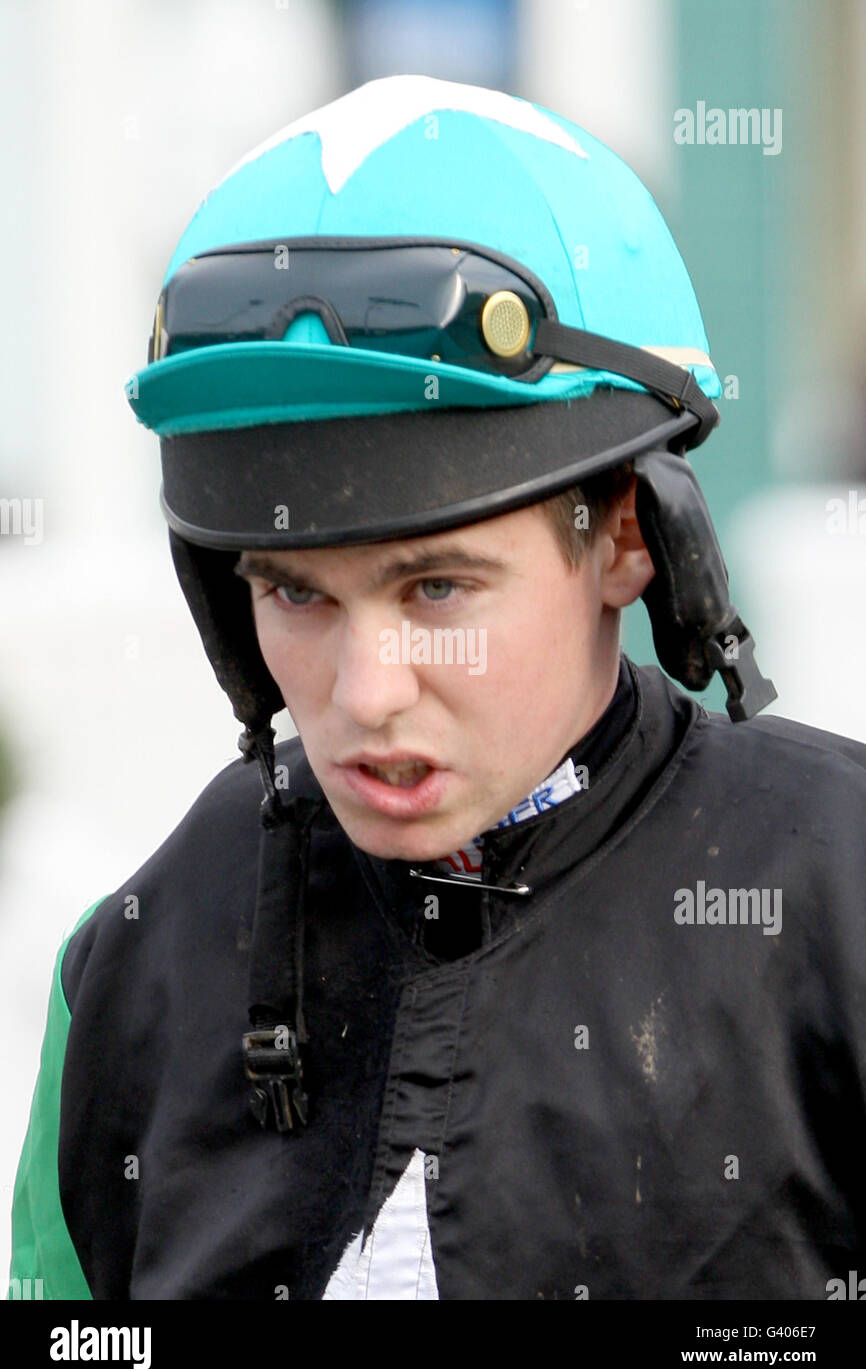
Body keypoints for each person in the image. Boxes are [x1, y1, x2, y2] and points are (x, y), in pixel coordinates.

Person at [10, 74, 866, 1302]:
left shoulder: (832, 898)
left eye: (437, 589)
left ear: (628, 538)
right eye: (297, 592)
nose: (365, 693)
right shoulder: (132, 969)